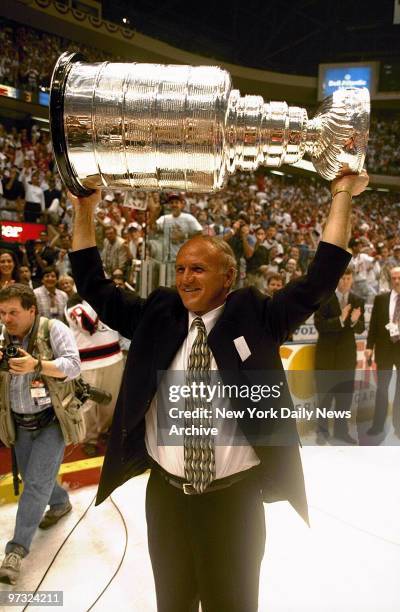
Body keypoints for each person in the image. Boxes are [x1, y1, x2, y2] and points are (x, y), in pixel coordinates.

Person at [68, 170, 368, 612]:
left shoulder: (257, 317)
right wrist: (84, 208)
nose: (186, 278)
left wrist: (341, 194)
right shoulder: (160, 313)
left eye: (199, 269)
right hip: (167, 498)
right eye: (181, 269)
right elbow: (94, 285)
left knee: (233, 604)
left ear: (227, 277)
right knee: (172, 604)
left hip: (234, 502)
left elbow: (320, 279)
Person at [0, 283, 81, 585]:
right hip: (19, 424)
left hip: (51, 421)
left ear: (31, 310)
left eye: (13, 313)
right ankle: (60, 502)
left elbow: (74, 366)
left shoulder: (53, 329)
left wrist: (37, 364)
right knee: (39, 479)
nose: (7, 319)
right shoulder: (2, 335)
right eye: (3, 313)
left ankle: (15, 551)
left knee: (34, 483)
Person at [65, 294, 124, 456]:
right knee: (87, 405)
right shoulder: (73, 304)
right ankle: (88, 439)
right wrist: (100, 300)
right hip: (88, 364)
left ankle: (104, 431)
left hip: (114, 358)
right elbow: (87, 324)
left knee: (111, 402)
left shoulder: (110, 300)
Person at [314, 268, 365, 445]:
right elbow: (319, 325)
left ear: (352, 280)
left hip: (346, 357)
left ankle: (341, 432)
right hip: (326, 357)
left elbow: (360, 329)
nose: (344, 281)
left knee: (344, 398)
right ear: (337, 279)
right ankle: (321, 432)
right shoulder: (324, 297)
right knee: (324, 398)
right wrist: (341, 320)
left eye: (348, 278)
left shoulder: (358, 300)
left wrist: (355, 321)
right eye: (342, 277)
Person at [365, 266, 400, 441]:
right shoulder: (381, 299)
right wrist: (369, 346)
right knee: (382, 388)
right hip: (384, 350)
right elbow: (374, 325)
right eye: (393, 278)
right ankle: (378, 425)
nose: (396, 281)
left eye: (399, 278)